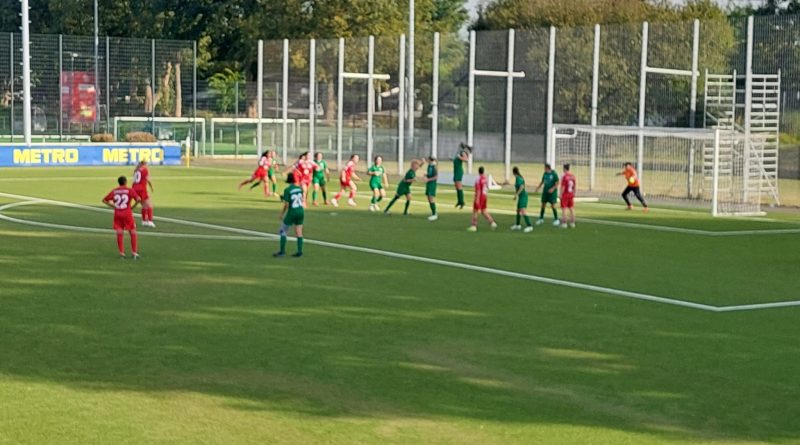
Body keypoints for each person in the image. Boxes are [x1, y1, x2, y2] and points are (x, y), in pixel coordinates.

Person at [102, 176, 141, 259]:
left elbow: (104, 200)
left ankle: (122, 253)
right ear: (126, 182)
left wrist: (113, 206)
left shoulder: (115, 191)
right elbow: (138, 199)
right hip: (127, 213)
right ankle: (134, 252)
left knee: (119, 233)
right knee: (133, 232)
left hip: (117, 213)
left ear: (118, 182)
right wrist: (133, 207)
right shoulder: (129, 190)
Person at [273, 173, 305, 258]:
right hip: (301, 211)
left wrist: (281, 214)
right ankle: (300, 251)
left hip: (292, 212)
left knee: (283, 230)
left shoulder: (287, 190)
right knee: (299, 231)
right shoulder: (299, 189)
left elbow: (286, 204)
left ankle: (282, 251)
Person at [467, 166, 497, 232]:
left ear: (478, 171)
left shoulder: (478, 178)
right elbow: (487, 187)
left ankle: (473, 226)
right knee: (483, 211)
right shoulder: (485, 178)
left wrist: (477, 199)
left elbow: (478, 189)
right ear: (483, 171)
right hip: (484, 196)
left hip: (479, 196)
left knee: (475, 211)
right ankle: (492, 222)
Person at [510, 166, 534, 233]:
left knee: (523, 211)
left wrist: (516, 194)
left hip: (523, 196)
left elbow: (521, 187)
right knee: (518, 210)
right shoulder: (518, 178)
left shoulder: (518, 178)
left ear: (513, 172)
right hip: (521, 196)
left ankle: (529, 226)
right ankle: (518, 225)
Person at [453, 143, 471, 209]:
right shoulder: (458, 152)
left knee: (459, 187)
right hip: (456, 171)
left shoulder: (462, 152)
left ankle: (462, 202)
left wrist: (459, 157)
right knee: (457, 187)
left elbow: (466, 160)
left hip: (458, 171)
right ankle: (459, 201)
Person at [560, 164, 577, 228]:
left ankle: (564, 223)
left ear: (564, 169)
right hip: (571, 194)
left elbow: (563, 187)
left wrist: (560, 194)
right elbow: (574, 186)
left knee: (564, 209)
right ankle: (573, 223)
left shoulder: (565, 177)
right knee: (571, 208)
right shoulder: (573, 176)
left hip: (565, 194)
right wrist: (574, 193)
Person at [423, 156, 439, 221]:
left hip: (432, 184)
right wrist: (426, 175)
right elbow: (430, 174)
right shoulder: (429, 166)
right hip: (429, 184)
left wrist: (428, 179)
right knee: (429, 198)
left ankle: (434, 214)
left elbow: (436, 177)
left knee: (431, 198)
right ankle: (433, 213)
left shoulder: (434, 167)